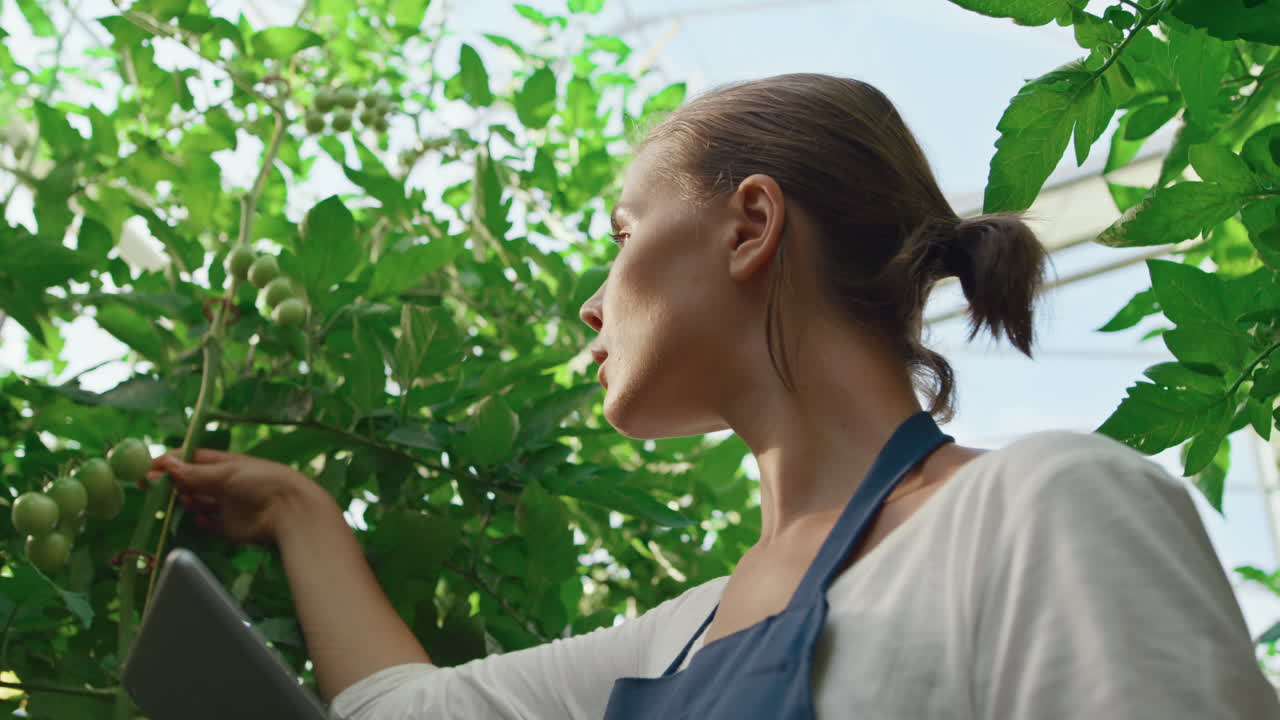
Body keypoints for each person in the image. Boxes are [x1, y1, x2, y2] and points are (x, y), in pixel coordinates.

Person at [150, 73, 1280, 719]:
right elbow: (403, 718)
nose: (591, 306)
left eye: (622, 237)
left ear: (749, 224)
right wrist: (299, 509)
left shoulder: (1043, 508)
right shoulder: (684, 638)